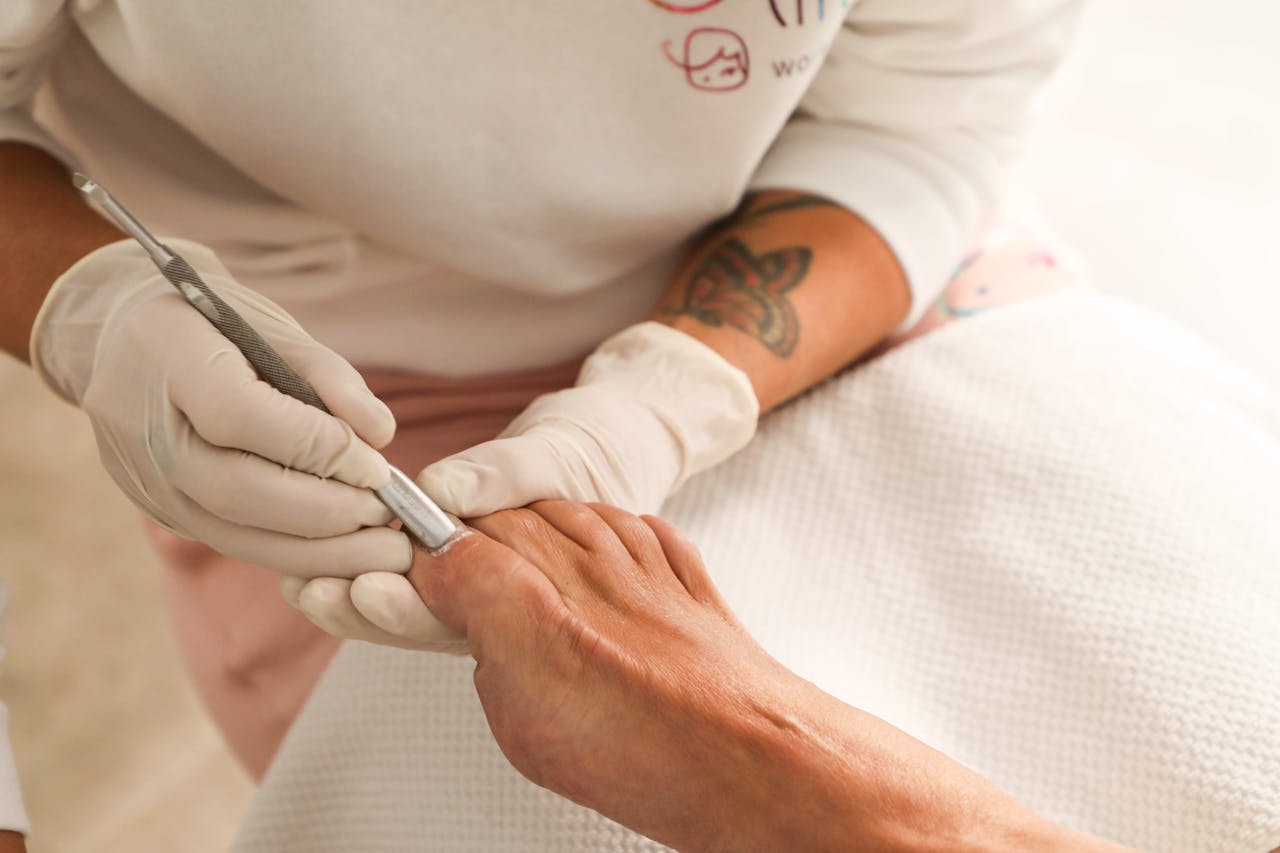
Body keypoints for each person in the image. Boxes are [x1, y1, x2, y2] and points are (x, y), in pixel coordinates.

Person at [0, 0, 1085, 844]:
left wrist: (670, 397)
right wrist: (93, 312)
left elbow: (922, 121)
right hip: (340, 357)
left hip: (846, 267)